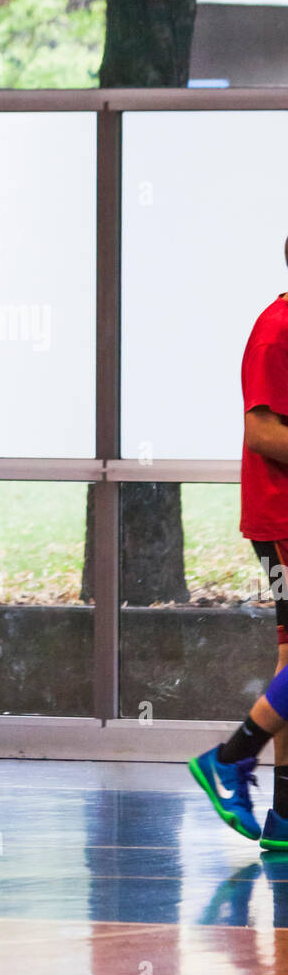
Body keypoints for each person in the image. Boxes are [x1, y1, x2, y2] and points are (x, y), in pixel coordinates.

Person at [190, 269, 288, 849]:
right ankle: (230, 758)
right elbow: (262, 433)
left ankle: (284, 817)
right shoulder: (277, 329)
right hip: (283, 522)